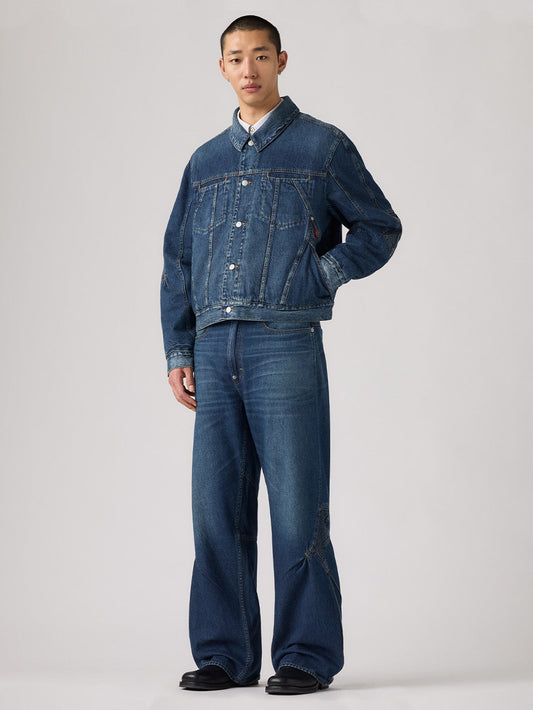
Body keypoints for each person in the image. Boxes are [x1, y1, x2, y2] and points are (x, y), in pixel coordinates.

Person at [160, 14, 402, 695]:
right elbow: (177, 261)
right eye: (236, 57)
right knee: (215, 509)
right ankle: (224, 654)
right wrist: (178, 346)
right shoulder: (204, 161)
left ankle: (305, 654)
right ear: (222, 67)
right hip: (214, 348)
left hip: (284, 344)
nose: (249, 68)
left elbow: (379, 226)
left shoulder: (321, 146)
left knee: (297, 505)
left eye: (260, 55)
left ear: (281, 61)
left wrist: (320, 277)